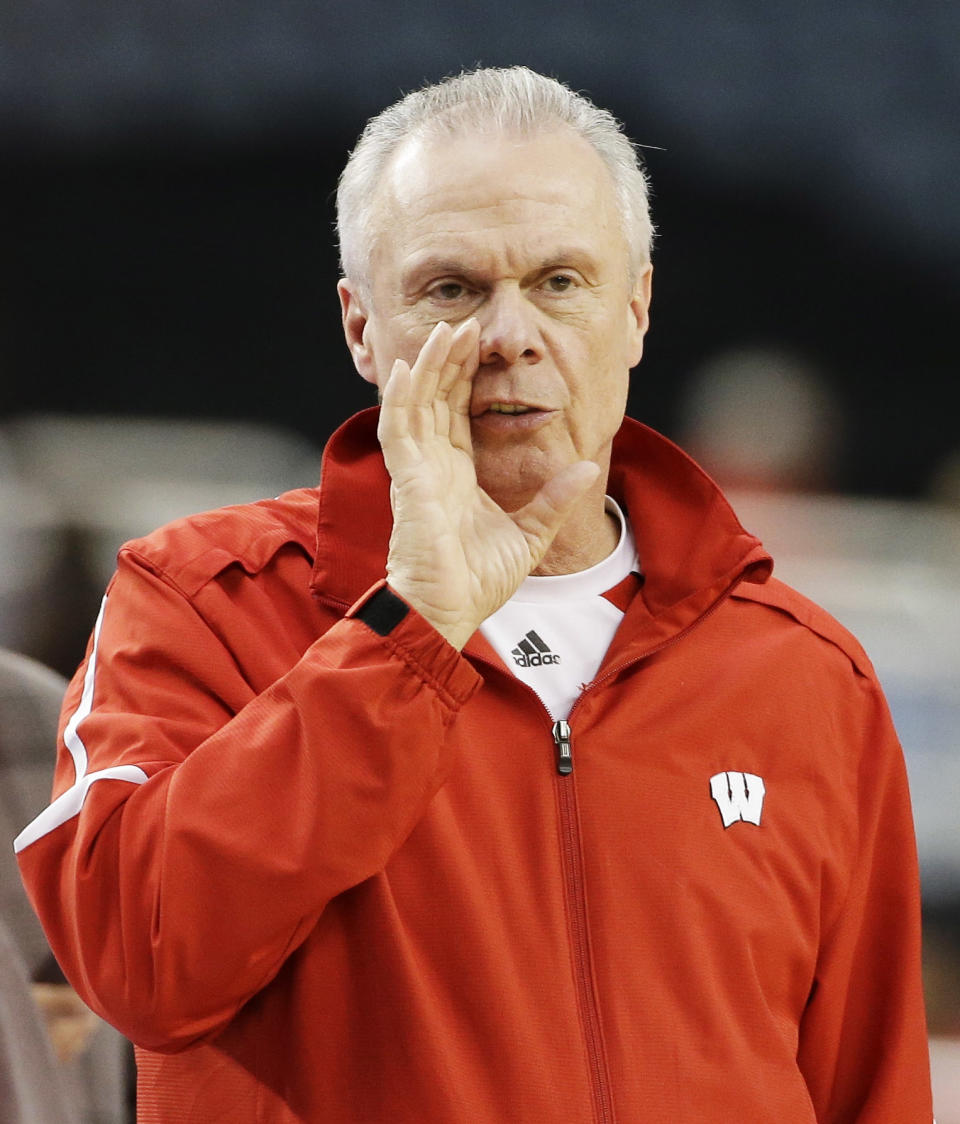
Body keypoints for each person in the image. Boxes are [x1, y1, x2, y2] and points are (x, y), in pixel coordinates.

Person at [15, 66, 933, 1122]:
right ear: (363, 327)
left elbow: (873, 1092)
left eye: (560, 281)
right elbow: (137, 962)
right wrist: (412, 627)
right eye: (451, 289)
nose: (510, 335)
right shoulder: (200, 604)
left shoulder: (804, 673)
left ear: (634, 311)